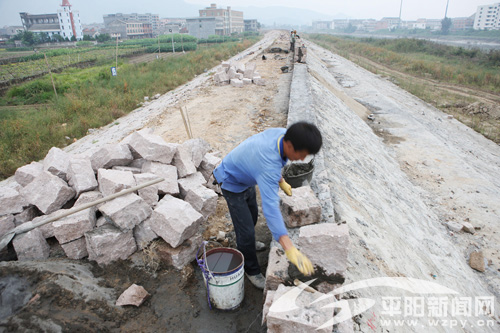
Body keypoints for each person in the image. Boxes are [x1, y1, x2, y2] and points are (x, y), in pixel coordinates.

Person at [213, 122, 323, 289]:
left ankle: (248, 243)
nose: (301, 159)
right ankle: (251, 270)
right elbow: (270, 208)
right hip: (231, 182)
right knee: (246, 230)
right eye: (301, 154)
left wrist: (282, 180)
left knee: (252, 215)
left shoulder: (282, 135)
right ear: (289, 144)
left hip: (247, 175)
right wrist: (288, 247)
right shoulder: (267, 165)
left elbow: (276, 161)